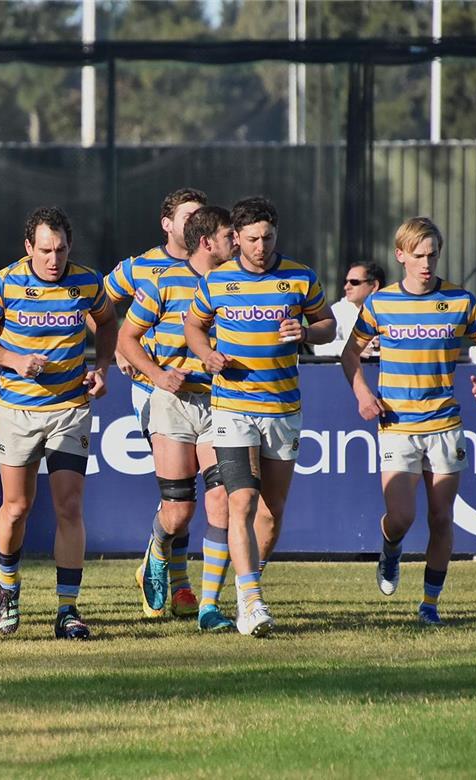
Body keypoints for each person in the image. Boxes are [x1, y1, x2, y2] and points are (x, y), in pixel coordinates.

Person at [183, 196, 335, 637]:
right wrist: (208, 354)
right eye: (252, 239)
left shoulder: (299, 277)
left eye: (268, 237)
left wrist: (307, 331)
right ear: (236, 238)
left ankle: (249, 583)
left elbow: (328, 325)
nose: (261, 246)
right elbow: (194, 326)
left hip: (282, 408)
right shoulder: (217, 280)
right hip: (233, 406)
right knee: (241, 501)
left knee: (271, 512)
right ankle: (251, 603)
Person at [0, 206, 117, 640]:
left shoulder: (86, 281)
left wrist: (102, 368)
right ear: (28, 247)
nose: (54, 259)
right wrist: (13, 359)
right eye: (46, 250)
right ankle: (8, 588)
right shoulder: (5, 282)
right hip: (17, 412)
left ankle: (68, 609)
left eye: (62, 250)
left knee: (70, 506)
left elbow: (108, 323)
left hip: (70, 409)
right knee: (17, 507)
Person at [341, 216, 476, 626]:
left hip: (445, 425)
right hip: (397, 424)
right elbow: (350, 354)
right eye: (418, 256)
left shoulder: (461, 301)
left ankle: (430, 603)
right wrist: (363, 393)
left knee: (440, 517)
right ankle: (390, 550)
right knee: (401, 518)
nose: (427, 263)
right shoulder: (380, 304)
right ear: (401, 256)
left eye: (432, 255)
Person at [118, 205, 238, 631]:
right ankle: (158, 548)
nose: (237, 243)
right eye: (230, 236)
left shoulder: (236, 282)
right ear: (207, 242)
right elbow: (126, 339)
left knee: (221, 500)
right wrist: (157, 374)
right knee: (178, 511)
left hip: (221, 403)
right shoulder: (163, 283)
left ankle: (208, 606)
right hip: (171, 402)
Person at [103, 187, 206, 617]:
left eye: (202, 216)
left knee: (197, 485)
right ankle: (175, 576)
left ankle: (171, 571)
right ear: (167, 223)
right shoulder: (141, 266)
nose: (196, 223)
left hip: (202, 388)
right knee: (177, 487)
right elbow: (101, 304)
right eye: (188, 216)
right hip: (153, 386)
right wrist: (117, 352)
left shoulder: (213, 268)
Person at [313, 260, 386, 358]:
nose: (346, 287)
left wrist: (386, 343)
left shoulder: (395, 310)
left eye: (354, 282)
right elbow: (319, 348)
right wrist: (354, 348)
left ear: (374, 286)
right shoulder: (339, 310)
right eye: (345, 282)